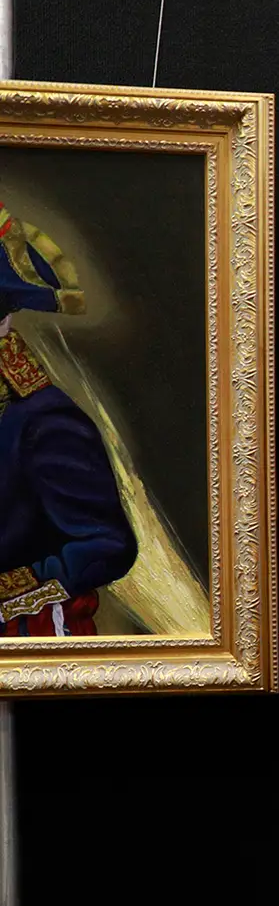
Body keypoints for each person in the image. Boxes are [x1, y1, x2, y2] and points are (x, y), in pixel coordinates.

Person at [0, 202, 136, 637]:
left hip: (25, 634)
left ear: (5, 320)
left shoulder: (45, 421)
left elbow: (107, 545)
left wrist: (14, 588)